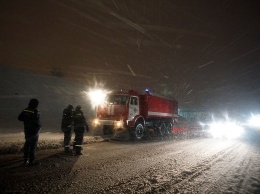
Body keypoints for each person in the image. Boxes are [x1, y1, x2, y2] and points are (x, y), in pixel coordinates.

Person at [18, 99, 41, 166]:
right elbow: (36, 120)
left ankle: (26, 159)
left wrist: (26, 120)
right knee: (33, 145)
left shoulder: (25, 110)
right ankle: (32, 160)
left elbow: (19, 118)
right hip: (34, 131)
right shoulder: (36, 111)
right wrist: (39, 126)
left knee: (27, 144)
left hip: (27, 130)